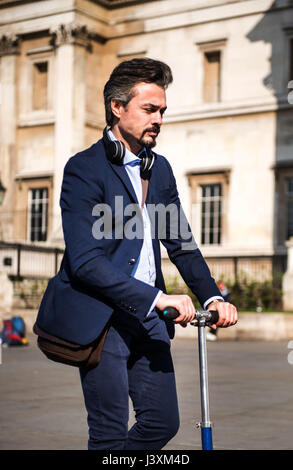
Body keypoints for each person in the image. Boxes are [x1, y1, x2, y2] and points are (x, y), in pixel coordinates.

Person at [35, 58, 237, 450]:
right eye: (149, 109)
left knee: (162, 423)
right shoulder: (84, 169)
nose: (158, 118)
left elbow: (181, 242)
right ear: (117, 107)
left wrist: (212, 295)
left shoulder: (159, 169)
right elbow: (85, 261)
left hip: (149, 320)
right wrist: (158, 297)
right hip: (103, 319)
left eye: (162, 110)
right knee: (109, 435)